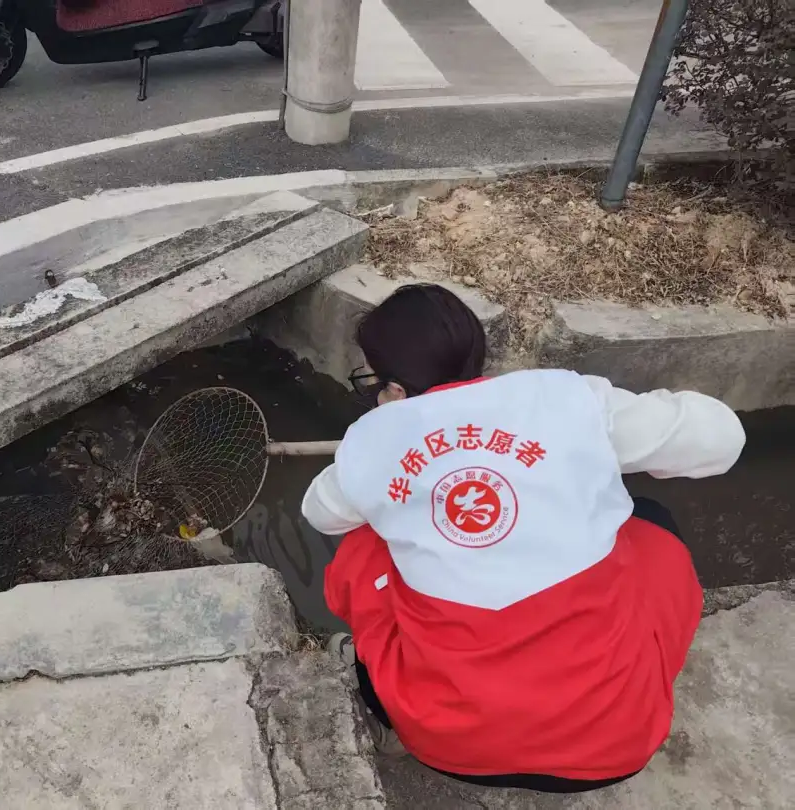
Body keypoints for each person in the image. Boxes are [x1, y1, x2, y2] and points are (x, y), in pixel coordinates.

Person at [301, 283, 746, 794]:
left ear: (396, 390)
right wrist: (602, 439)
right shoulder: (565, 399)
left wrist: (379, 458)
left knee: (364, 544)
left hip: (449, 746)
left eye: (373, 383)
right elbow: (722, 438)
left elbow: (320, 513)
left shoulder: (374, 440)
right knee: (647, 521)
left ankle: (384, 705)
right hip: (616, 747)